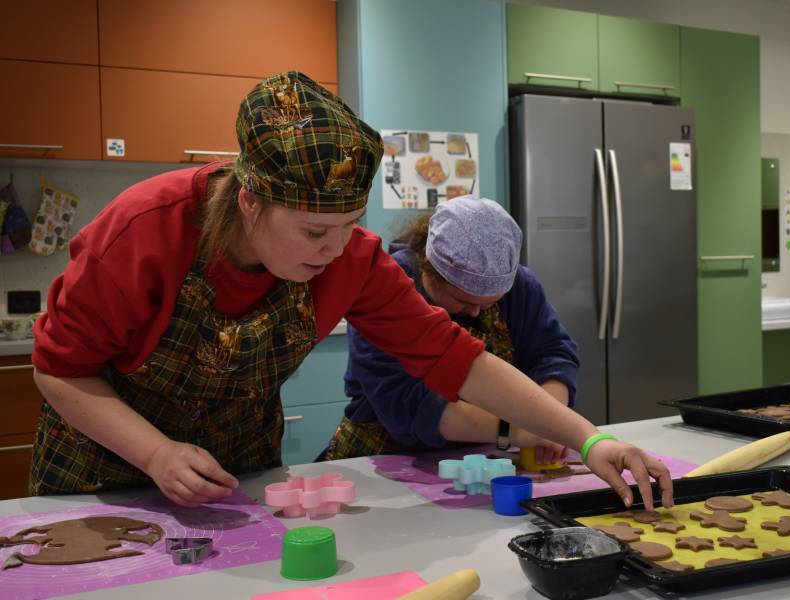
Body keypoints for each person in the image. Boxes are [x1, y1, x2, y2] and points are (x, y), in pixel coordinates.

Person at [30, 71, 672, 510]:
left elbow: (457, 359)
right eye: (315, 231)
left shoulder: (353, 261)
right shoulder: (145, 231)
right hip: (103, 468)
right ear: (250, 204)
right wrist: (156, 452)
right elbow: (60, 371)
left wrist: (592, 440)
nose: (337, 250)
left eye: (348, 227)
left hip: (234, 470)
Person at [320, 196, 577, 465]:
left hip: (488, 457)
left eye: (490, 303)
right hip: (389, 457)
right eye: (464, 302)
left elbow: (553, 356)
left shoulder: (520, 287)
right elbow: (411, 404)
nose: (476, 313)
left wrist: (549, 422)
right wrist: (520, 429)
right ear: (428, 269)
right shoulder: (388, 290)